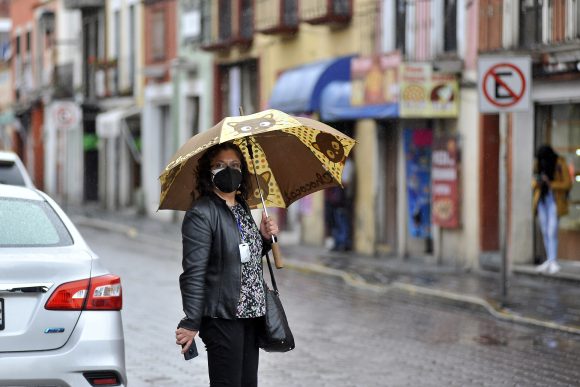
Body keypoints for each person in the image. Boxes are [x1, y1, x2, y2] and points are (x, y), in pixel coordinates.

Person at [174, 142, 279, 387]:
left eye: (234, 165)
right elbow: (194, 272)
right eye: (219, 165)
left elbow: (244, 257)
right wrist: (191, 321)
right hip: (223, 316)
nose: (228, 170)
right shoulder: (202, 213)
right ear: (207, 172)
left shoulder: (241, 207)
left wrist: (264, 238)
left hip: (251, 314)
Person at [532, 145, 572, 274]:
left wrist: (551, 184)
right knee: (545, 231)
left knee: (552, 230)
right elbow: (533, 181)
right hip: (542, 201)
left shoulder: (560, 163)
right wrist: (539, 182)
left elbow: (567, 183)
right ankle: (549, 260)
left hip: (555, 200)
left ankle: (553, 260)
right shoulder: (538, 163)